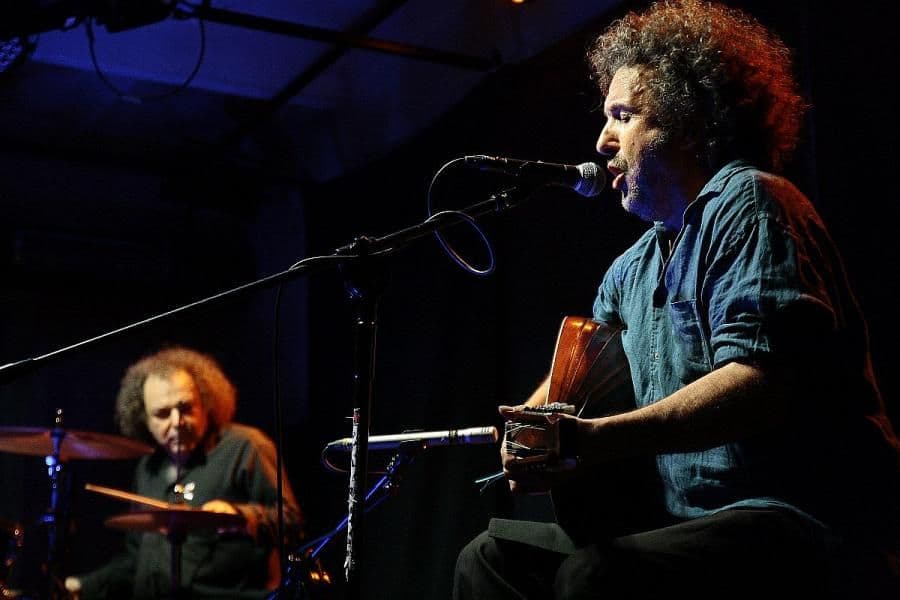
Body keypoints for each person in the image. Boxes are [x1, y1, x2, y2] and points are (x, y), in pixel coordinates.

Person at [452, 1, 900, 598]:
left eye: (624, 115)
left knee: (596, 576)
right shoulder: (629, 269)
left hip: (800, 520)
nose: (602, 140)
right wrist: (532, 427)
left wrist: (594, 439)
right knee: (490, 559)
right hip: (685, 528)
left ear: (690, 121)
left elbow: (760, 384)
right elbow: (581, 383)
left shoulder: (751, 202)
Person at [64, 345, 304, 599]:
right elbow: (136, 558)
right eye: (162, 414)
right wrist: (83, 586)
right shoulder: (148, 467)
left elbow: (292, 523)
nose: (177, 422)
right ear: (144, 418)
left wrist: (241, 516)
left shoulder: (246, 447)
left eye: (186, 408)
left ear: (206, 403)